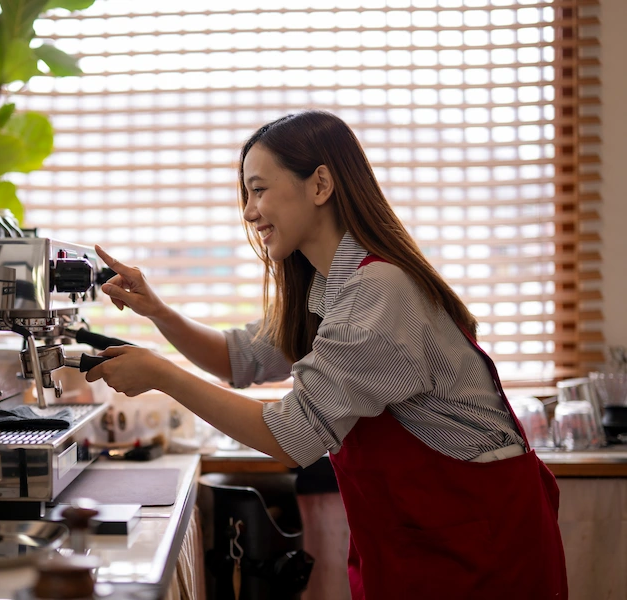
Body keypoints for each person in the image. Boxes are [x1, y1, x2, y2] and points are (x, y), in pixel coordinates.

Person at [85, 111, 568, 599]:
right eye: (246, 195)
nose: (249, 212)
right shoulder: (327, 287)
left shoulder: (377, 290)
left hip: (478, 551)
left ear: (319, 184)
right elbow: (241, 359)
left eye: (259, 190)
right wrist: (159, 312)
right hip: (417, 542)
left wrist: (162, 375)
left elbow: (291, 437)